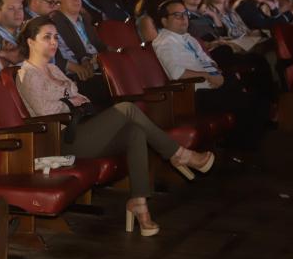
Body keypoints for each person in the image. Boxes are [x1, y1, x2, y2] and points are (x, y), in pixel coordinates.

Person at [15, 16, 213, 236]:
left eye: (55, 37)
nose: (53, 42)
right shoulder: (27, 74)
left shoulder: (54, 70)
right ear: (31, 42)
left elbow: (83, 99)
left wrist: (71, 101)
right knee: (127, 108)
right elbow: (46, 112)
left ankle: (139, 203)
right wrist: (70, 101)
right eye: (47, 37)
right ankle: (179, 154)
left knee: (134, 132)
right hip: (62, 141)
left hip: (82, 128)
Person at [152, 0, 269, 148]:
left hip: (211, 85)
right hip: (193, 94)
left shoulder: (189, 39)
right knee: (252, 102)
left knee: (255, 95)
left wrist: (216, 73)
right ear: (164, 20)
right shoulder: (164, 42)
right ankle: (241, 149)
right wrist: (208, 76)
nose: (184, 18)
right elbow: (176, 73)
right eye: (177, 15)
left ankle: (240, 148)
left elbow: (208, 61)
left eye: (185, 14)